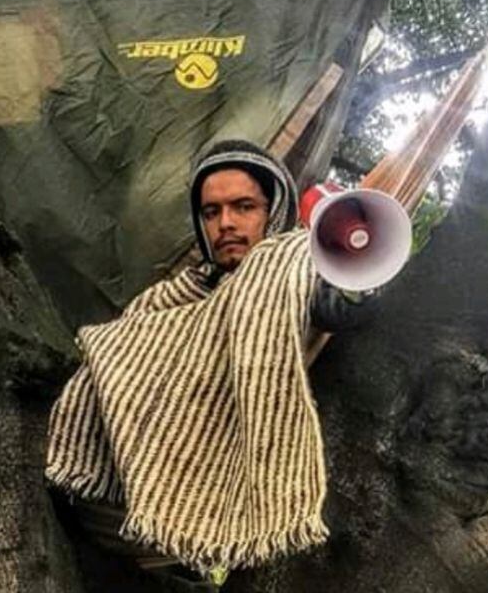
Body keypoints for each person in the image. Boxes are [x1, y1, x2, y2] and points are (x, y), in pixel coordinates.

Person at [46, 140, 377, 591]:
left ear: (274, 211)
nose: (226, 223)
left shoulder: (294, 276)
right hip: (101, 499)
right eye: (211, 212)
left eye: (244, 207)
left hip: (188, 518)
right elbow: (120, 355)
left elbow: (343, 306)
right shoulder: (174, 294)